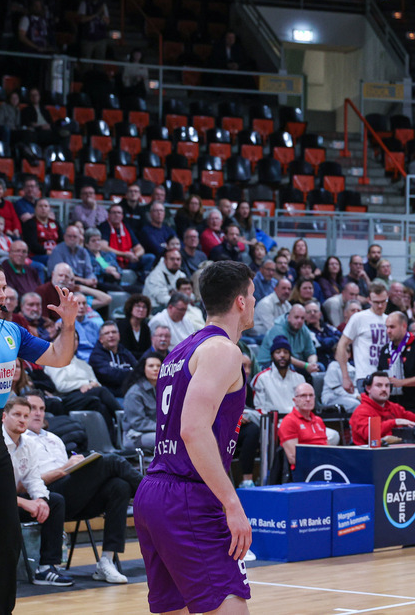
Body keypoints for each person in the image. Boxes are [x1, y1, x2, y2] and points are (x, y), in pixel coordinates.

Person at [134, 260, 256, 613]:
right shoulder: (223, 350)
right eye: (252, 292)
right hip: (187, 496)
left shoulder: (178, 351)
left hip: (156, 491)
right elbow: (193, 429)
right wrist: (232, 503)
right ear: (240, 301)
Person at [0, 261, 80, 610]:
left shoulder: (11, 332)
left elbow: (60, 357)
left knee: (6, 538)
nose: (4, 294)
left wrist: (68, 324)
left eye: (4, 287)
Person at [22, 390, 142, 583]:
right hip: (47, 496)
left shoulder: (54, 438)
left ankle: (106, 561)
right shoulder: (21, 440)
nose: (38, 413)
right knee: (111, 461)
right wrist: (66, 468)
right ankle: (152, 494)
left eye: (42, 408)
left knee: (119, 486)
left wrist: (76, 467)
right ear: (22, 411)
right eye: (32, 408)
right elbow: (26, 484)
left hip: (72, 496)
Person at [3, 396, 73, 588]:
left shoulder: (29, 443)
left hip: (13, 500)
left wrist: (40, 499)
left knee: (55, 501)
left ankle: (46, 568)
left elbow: (34, 479)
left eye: (26, 415)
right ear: (3, 417)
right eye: (17, 414)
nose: (22, 419)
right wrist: (25, 502)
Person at [348, 372, 415, 445]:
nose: (384, 389)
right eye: (379, 385)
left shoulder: (394, 407)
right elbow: (369, 434)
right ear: (368, 388)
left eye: (387, 386)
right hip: (369, 459)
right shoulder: (361, 411)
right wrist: (394, 422)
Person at [335, 282, 389, 394]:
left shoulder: (389, 319)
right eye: (376, 302)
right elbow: (342, 345)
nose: (380, 306)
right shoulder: (359, 318)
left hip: (386, 375)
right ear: (369, 300)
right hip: (365, 375)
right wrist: (345, 376)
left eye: (383, 302)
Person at [377, 311, 415, 413]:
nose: (388, 331)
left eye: (392, 327)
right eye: (387, 327)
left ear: (403, 326)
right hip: (391, 406)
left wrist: (402, 382)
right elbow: (380, 374)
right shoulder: (385, 350)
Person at [278, 383, 338, 470]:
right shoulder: (289, 421)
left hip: (324, 466)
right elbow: (293, 458)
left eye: (311, 395)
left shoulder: (318, 420)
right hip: (304, 470)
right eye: (303, 396)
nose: (308, 399)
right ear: (295, 400)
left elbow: (327, 447)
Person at [256, 305, 318, 374]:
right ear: (288, 318)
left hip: (294, 363)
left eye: (302, 318)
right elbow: (283, 357)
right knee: (289, 367)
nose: (299, 321)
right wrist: (306, 366)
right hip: (269, 364)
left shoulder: (304, 329)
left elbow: (311, 352)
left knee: (319, 367)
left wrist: (312, 364)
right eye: (296, 317)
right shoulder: (278, 329)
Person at [122, 352, 164, 449]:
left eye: (159, 366)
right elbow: (138, 423)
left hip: (156, 431)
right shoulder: (135, 393)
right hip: (135, 436)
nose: (155, 369)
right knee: (167, 440)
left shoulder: (163, 389)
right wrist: (162, 428)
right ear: (143, 368)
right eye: (151, 366)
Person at [88, 320, 138, 398]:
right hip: (110, 398)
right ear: (101, 339)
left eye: (114, 332)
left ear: (119, 336)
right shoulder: (96, 356)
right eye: (107, 333)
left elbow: (138, 370)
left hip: (131, 394)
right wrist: (130, 372)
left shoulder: (124, 352)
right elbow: (111, 376)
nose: (111, 335)